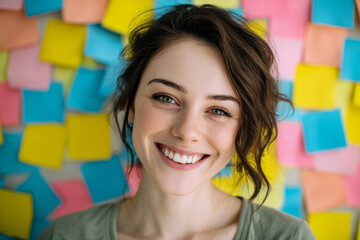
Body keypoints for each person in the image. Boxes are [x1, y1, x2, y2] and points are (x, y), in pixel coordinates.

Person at [38, 4, 316, 240]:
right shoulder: (64, 235)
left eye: (219, 111)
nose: (186, 131)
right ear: (131, 104)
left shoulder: (288, 236)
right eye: (166, 98)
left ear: (241, 129)